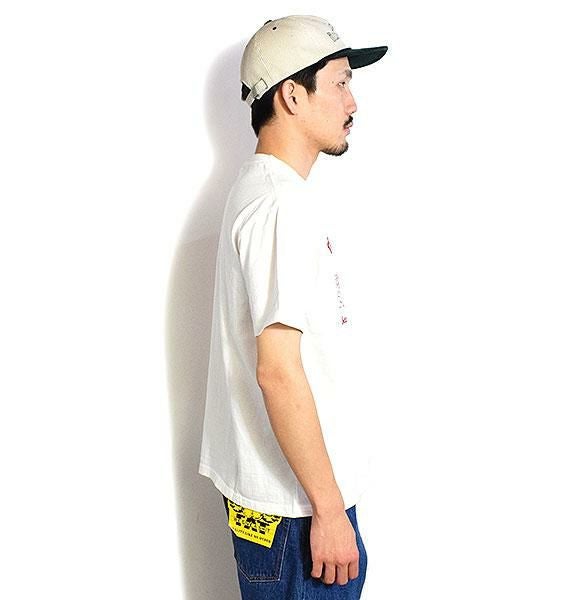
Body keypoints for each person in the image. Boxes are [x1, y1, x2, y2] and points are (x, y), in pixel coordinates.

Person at [198, 14, 387, 599]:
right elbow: (277, 371)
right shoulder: (280, 205)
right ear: (291, 96)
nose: (353, 102)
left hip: (284, 505)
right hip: (299, 515)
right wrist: (328, 510)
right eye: (340, 83)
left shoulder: (261, 190)